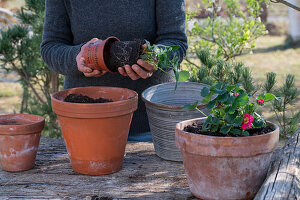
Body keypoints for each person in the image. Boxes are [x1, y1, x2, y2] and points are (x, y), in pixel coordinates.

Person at [41, 0, 188, 141]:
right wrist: (78, 57)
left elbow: (176, 41)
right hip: (86, 120)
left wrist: (155, 57)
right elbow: (51, 46)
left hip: (151, 123)